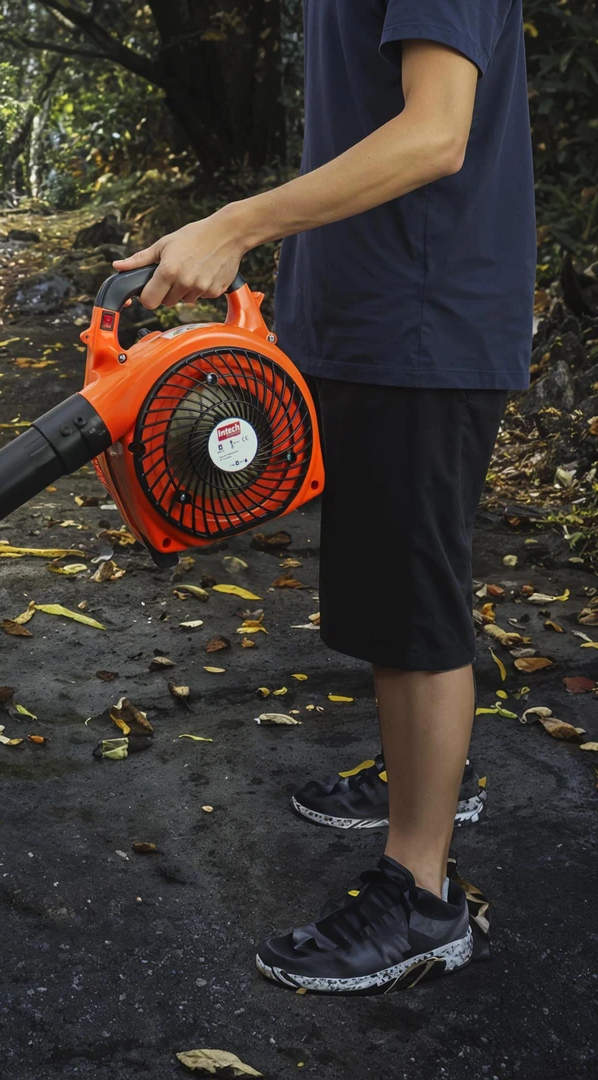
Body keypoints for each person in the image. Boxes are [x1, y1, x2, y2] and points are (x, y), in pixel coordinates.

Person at [111, 0, 535, 994]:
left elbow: (436, 133)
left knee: (415, 605)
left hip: (424, 317)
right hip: (366, 311)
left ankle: (422, 897)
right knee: (389, 583)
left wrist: (236, 224)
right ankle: (423, 779)